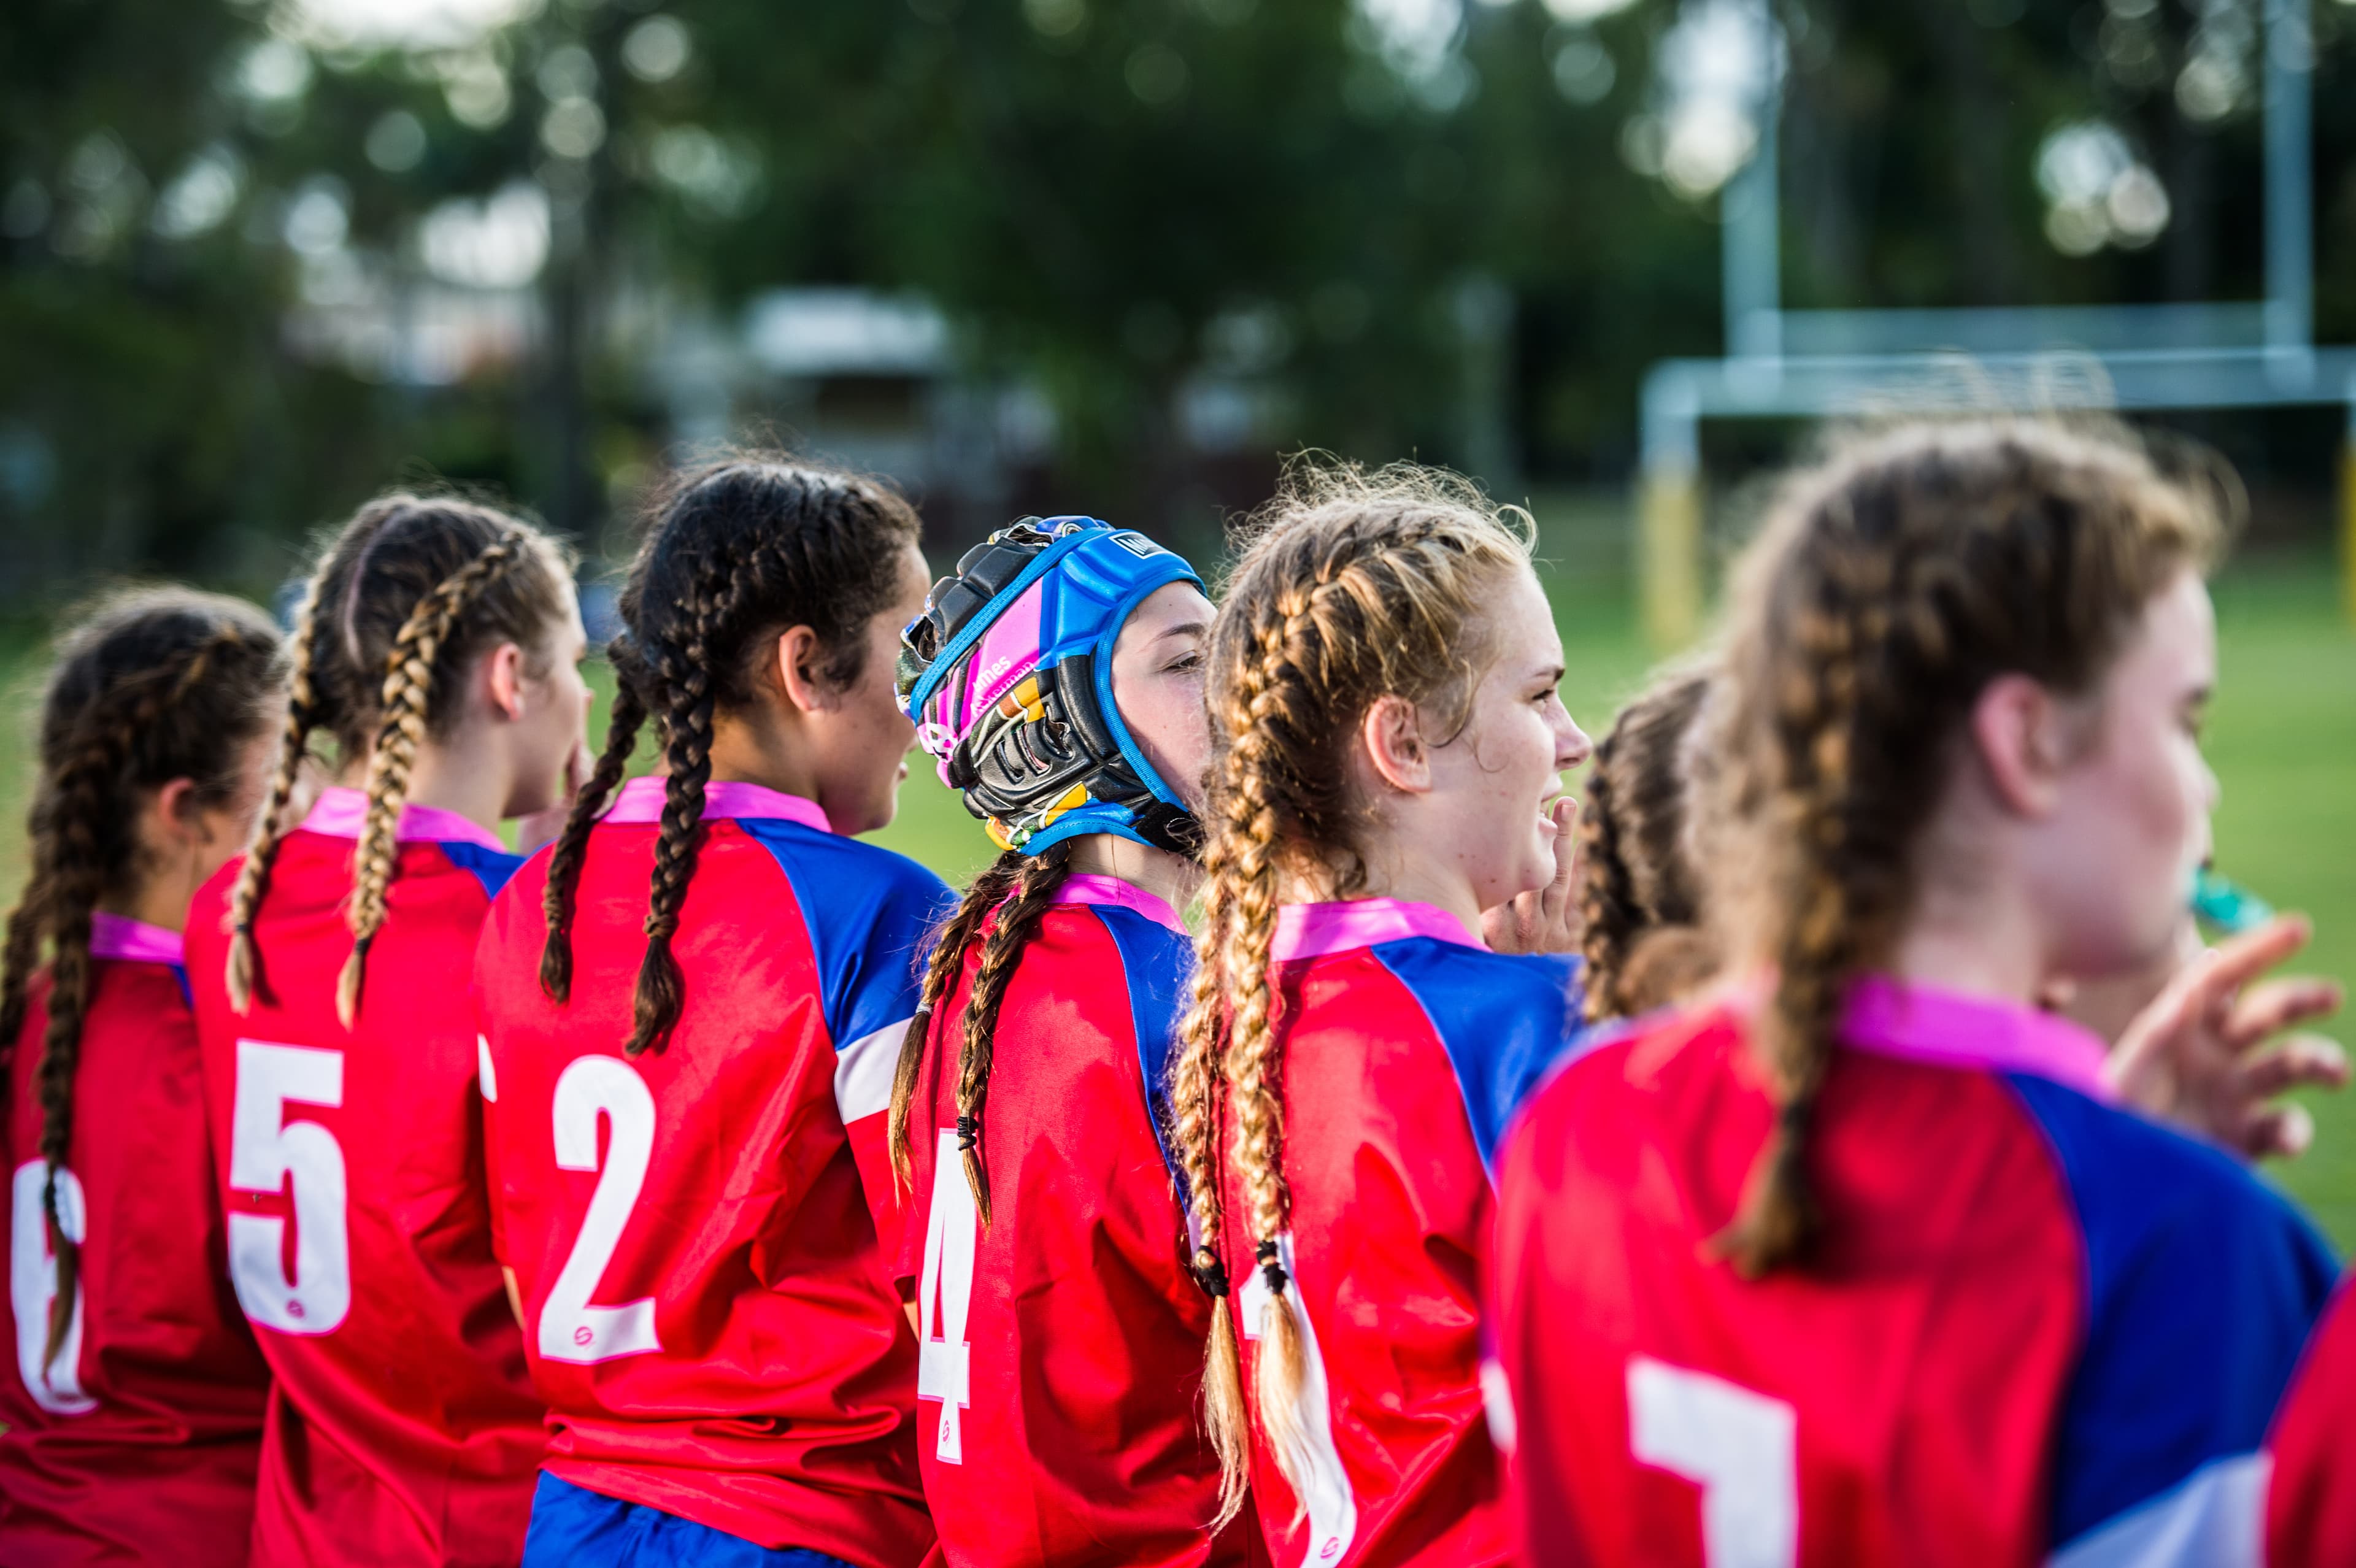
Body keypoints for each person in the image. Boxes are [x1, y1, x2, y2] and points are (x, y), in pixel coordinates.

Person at [1492, 420, 2337, 1567]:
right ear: (2028, 741)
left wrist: (2115, 1149)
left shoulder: (1573, 1126)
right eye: (2184, 720)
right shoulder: (2192, 1253)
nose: (2205, 784)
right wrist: (2137, 1189)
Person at [475, 456, 939, 1568]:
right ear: (806, 666)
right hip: (805, 1522)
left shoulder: (527, 905)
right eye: (911, 649)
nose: (928, 704)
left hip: (577, 1517)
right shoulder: (873, 913)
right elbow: (948, 1283)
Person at [1172, 461, 1593, 1567]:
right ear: (1402, 747)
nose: (1576, 740)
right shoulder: (1512, 1034)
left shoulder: (1241, 1022)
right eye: (1540, 695)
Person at [185, 494, 588, 1566]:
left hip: (309, 1524)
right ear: (512, 680)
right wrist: (566, 891)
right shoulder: (517, 928)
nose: (589, 698)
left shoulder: (229, 905)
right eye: (575, 663)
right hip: (496, 1516)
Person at [883, 515, 1258, 1564]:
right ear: (1058, 734)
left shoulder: (977, 971)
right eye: (1187, 661)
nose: (1237, 688)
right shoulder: (1167, 995)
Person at [0, 590, 282, 1566]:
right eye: (283, 779)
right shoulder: (219, 1047)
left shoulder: (27, 1018)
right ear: (185, 814)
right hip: (209, 1533)